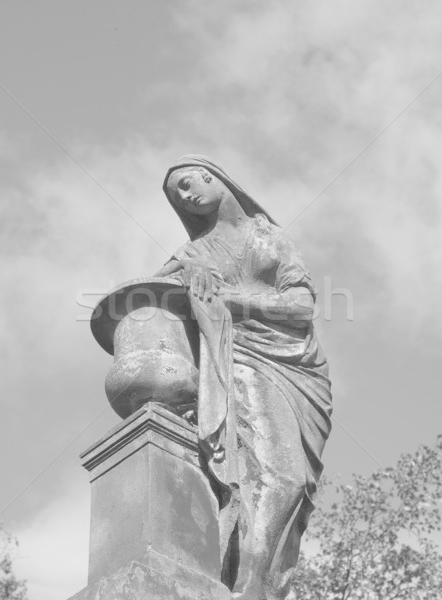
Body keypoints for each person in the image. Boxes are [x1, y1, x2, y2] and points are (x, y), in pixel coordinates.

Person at [155, 155, 332, 600]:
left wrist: (228, 299)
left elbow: (302, 307)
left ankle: (262, 585)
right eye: (178, 195)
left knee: (294, 484)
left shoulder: (267, 236)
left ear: (213, 177)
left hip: (300, 369)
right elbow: (151, 298)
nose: (187, 195)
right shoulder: (192, 255)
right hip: (239, 359)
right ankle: (246, 585)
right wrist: (188, 282)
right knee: (275, 478)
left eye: (189, 182)